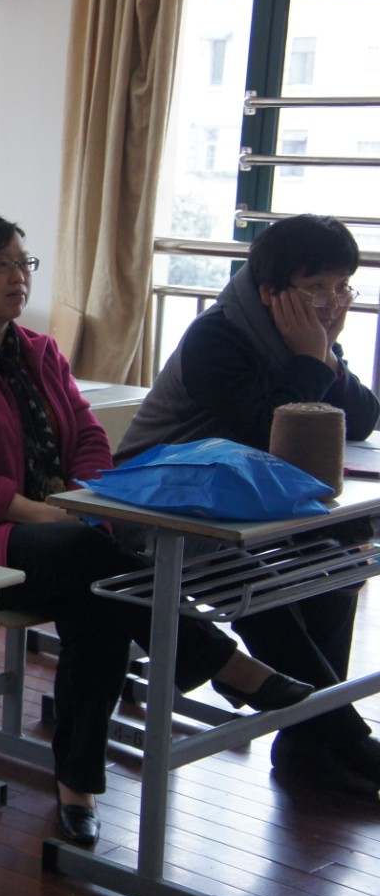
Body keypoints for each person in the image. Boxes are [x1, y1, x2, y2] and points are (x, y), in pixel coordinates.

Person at [0, 214, 310, 845]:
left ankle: (77, 785)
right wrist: (37, 510)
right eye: (1, 264)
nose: (18, 276)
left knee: (101, 597)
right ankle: (225, 664)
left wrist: (86, 500)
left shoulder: (40, 351)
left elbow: (89, 437)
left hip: (67, 537)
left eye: (23, 262)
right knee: (91, 561)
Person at [116, 214, 380, 793]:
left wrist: (327, 358)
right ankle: (344, 739)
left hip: (246, 502)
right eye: (317, 287)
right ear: (270, 291)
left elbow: (362, 418)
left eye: (342, 287)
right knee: (256, 589)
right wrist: (311, 359)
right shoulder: (218, 337)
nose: (333, 302)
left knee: (339, 560)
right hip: (162, 507)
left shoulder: (304, 334)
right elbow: (269, 429)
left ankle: (308, 744)